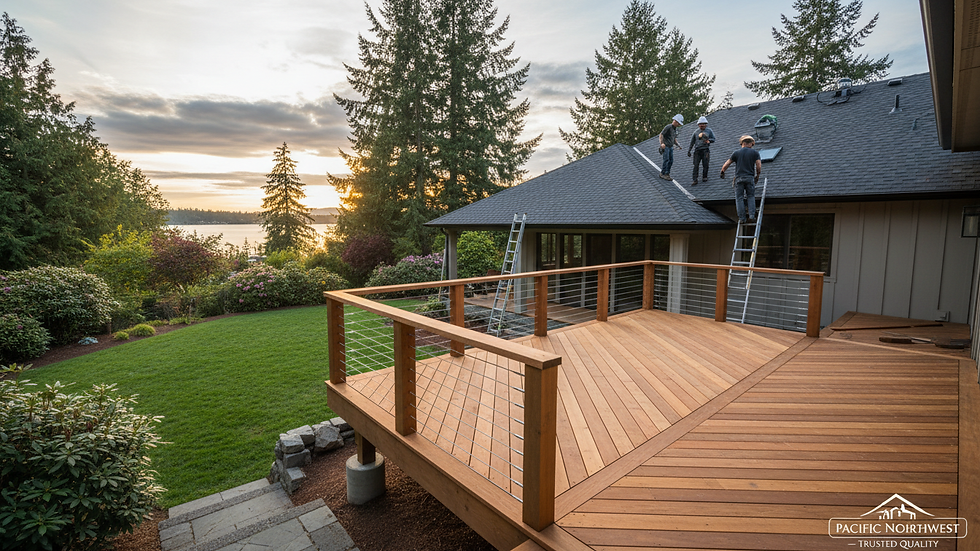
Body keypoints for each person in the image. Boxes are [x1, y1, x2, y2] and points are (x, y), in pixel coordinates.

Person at [719, 135, 762, 223]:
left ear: (742, 143)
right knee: (750, 196)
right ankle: (752, 216)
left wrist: (722, 171)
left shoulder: (736, 153)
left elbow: (726, 164)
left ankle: (742, 218)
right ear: (751, 143)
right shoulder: (755, 153)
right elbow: (759, 166)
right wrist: (757, 176)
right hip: (749, 177)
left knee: (739, 198)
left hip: (739, 178)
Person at [687, 116, 715, 185]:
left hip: (705, 150)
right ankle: (695, 179)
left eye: (703, 124)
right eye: (700, 125)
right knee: (695, 165)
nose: (701, 126)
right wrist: (689, 150)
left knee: (705, 164)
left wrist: (709, 141)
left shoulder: (709, 131)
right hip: (697, 150)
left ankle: (704, 176)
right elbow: (692, 142)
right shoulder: (696, 132)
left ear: (706, 124)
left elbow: (713, 139)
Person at [658, 114, 684, 181]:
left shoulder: (674, 129)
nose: (678, 125)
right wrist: (662, 143)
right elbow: (661, 135)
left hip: (670, 147)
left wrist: (678, 145)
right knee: (666, 160)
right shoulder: (668, 127)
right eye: (678, 123)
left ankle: (667, 174)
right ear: (675, 121)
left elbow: (674, 138)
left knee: (671, 160)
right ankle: (662, 173)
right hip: (666, 146)